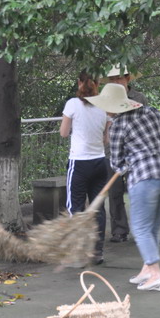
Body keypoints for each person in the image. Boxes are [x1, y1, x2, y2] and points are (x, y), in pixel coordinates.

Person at [86, 83, 160, 291]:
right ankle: (147, 269)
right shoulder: (150, 111)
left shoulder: (118, 125)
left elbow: (116, 162)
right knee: (153, 227)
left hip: (145, 176)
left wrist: (127, 162)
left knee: (141, 228)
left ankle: (155, 274)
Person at [59, 71, 110, 265]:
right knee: (98, 208)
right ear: (98, 84)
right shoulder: (105, 106)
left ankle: (78, 253)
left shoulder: (72, 104)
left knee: (76, 208)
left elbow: (64, 133)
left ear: (79, 82)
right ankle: (97, 252)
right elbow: (106, 139)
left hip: (79, 163)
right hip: (100, 162)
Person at [102, 64, 148, 243]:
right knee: (114, 193)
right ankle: (119, 231)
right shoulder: (104, 99)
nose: (116, 82)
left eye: (119, 78)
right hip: (112, 152)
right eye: (112, 79)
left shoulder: (139, 98)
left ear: (128, 78)